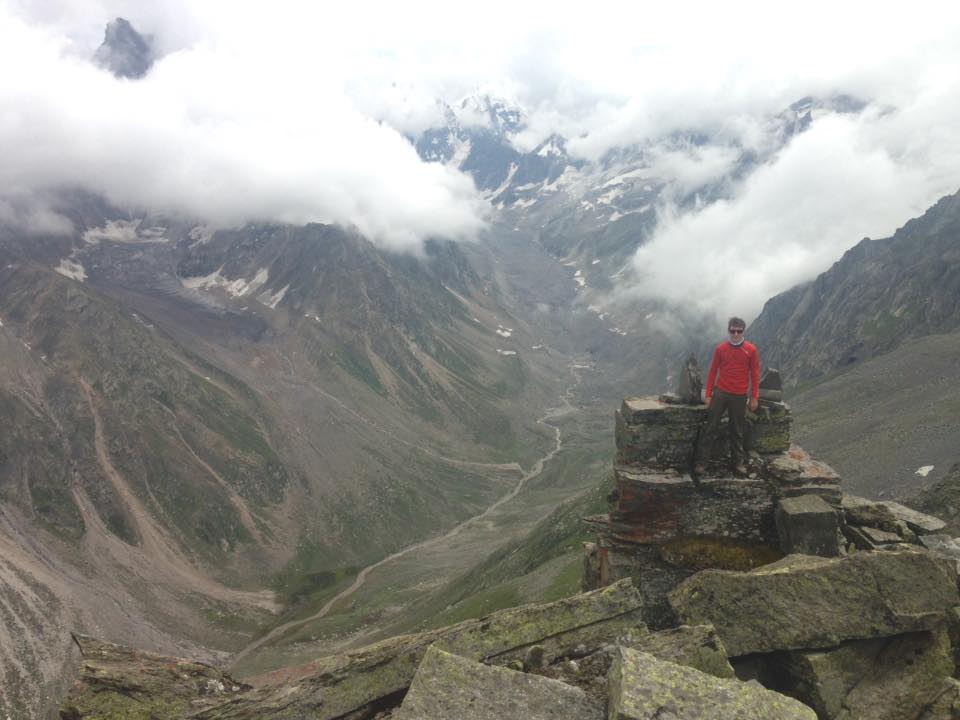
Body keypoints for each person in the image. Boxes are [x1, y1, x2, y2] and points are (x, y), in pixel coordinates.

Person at [693, 316, 760, 477]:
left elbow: (755, 374)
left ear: (744, 331)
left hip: (739, 395)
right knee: (710, 427)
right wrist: (708, 394)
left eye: (739, 331)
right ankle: (701, 462)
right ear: (728, 331)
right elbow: (712, 372)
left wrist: (754, 397)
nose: (735, 334)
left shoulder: (751, 350)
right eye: (732, 331)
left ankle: (738, 462)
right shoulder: (720, 349)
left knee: (737, 430)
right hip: (720, 393)